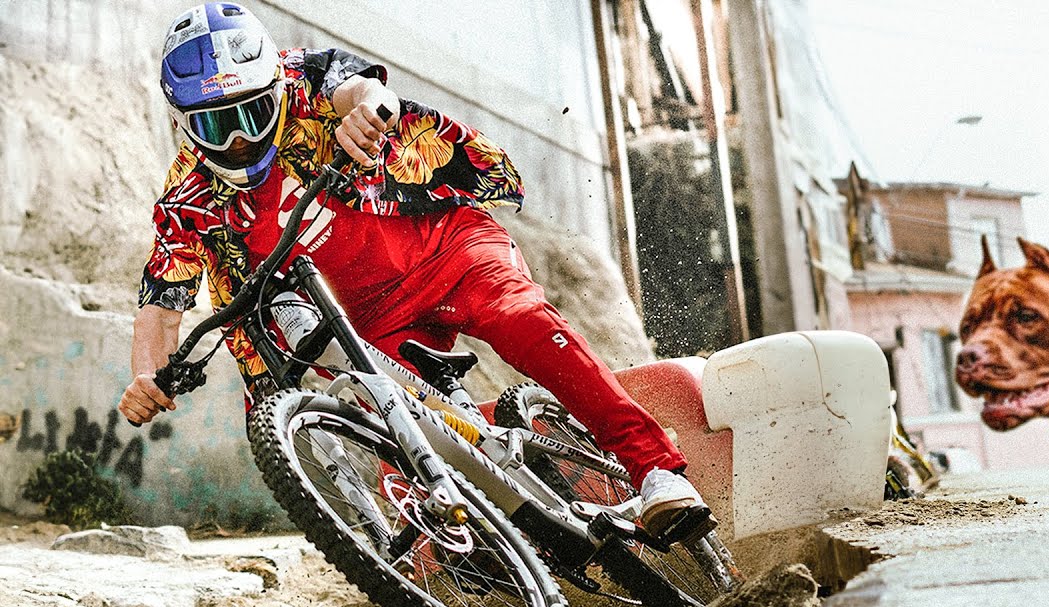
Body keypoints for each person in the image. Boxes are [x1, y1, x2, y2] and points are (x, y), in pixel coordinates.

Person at [116, 1, 713, 542]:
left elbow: (365, 91)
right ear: (182, 124)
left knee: (521, 320)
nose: (243, 140)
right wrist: (146, 374)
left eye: (254, 112)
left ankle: (654, 468)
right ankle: (497, 562)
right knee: (405, 445)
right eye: (219, 125)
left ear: (275, 86)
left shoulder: (305, 77)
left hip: (448, 249)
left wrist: (364, 116)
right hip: (367, 329)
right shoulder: (186, 199)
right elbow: (163, 302)